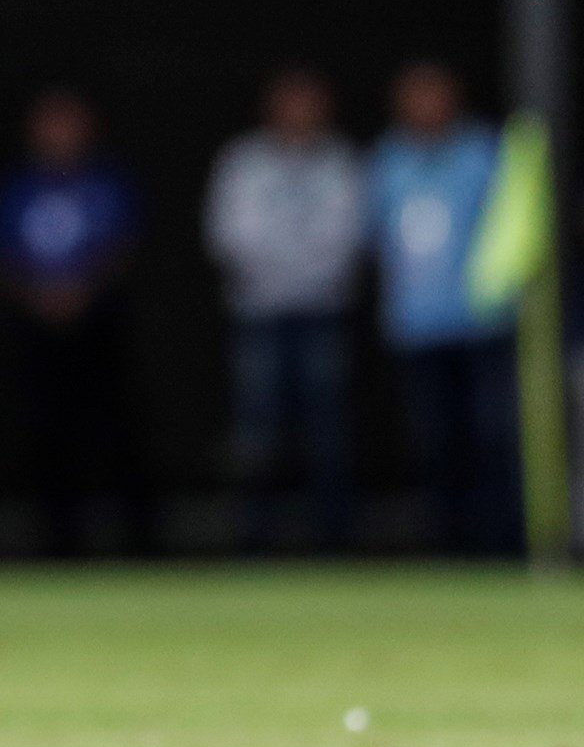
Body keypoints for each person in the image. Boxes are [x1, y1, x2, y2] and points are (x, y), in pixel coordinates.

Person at [0, 89, 153, 558]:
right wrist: (39, 296)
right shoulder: (17, 189)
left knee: (115, 430)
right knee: (46, 435)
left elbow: (125, 247)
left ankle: (140, 544)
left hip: (97, 327)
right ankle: (58, 544)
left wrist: (82, 293)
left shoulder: (107, 184)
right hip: (36, 329)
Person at [366, 63, 521, 558]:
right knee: (433, 443)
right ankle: (445, 547)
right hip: (418, 326)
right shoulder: (387, 161)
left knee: (491, 437)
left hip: (482, 323)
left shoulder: (483, 154)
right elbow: (374, 239)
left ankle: (502, 545)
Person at [205, 70, 364, 553]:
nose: (298, 114)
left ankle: (335, 540)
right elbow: (228, 236)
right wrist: (280, 272)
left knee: (328, 430)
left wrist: (303, 272)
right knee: (257, 430)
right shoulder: (242, 162)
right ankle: (254, 540)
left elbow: (348, 236)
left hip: (322, 310)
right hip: (260, 313)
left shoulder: (341, 162)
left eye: (307, 103)